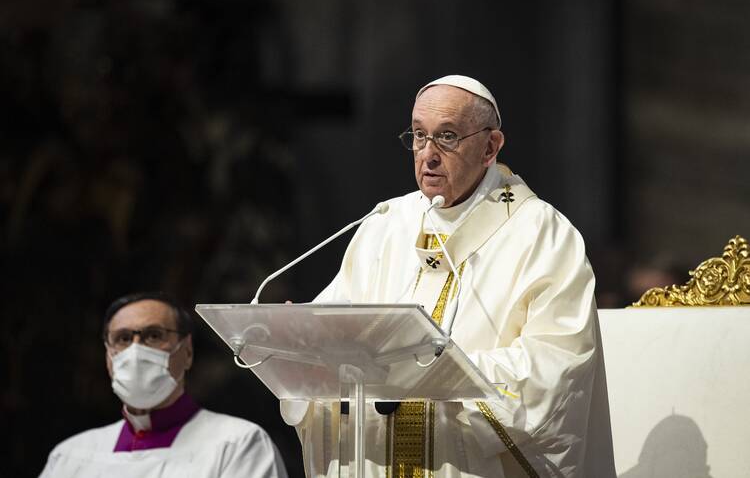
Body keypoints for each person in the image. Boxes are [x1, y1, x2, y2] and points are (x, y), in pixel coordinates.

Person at [281, 75, 616, 477]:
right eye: (419, 136)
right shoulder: (386, 222)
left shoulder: (542, 234)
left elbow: (556, 364)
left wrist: (434, 377)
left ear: (490, 146)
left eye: (448, 137)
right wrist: (298, 336)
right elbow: (336, 323)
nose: (428, 154)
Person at [40, 291, 288, 478]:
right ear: (107, 356)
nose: (136, 350)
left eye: (154, 335)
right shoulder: (69, 457)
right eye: (123, 338)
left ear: (187, 351)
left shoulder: (239, 445)